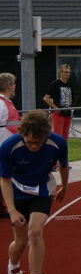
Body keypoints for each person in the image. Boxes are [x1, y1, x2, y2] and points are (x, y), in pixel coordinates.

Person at [1, 110, 68, 274]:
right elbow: (4, 180)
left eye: (39, 143)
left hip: (42, 190)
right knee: (20, 242)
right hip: (17, 192)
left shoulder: (57, 143)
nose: (34, 147)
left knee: (35, 232)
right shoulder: (8, 147)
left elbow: (63, 165)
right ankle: (13, 268)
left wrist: (65, 187)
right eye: (30, 142)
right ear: (23, 134)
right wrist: (12, 210)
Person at [0, 73, 21, 218]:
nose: (14, 88)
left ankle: (3, 207)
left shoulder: (7, 102)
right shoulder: (1, 103)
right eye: (13, 84)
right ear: (9, 86)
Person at [43, 64, 74, 141]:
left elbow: (72, 97)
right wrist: (55, 108)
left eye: (69, 72)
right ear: (60, 73)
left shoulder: (70, 84)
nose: (67, 74)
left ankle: (63, 152)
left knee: (65, 137)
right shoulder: (55, 84)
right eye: (65, 72)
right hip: (58, 113)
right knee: (57, 136)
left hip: (67, 113)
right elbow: (46, 98)